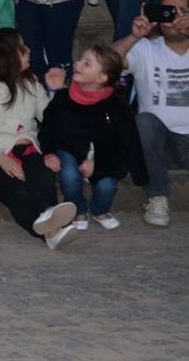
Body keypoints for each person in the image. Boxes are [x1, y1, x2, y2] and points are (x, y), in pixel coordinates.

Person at [0, 28, 79, 249]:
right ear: (5, 55)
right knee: (17, 191)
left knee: (43, 176)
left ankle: (51, 228)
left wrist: (56, 91)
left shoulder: (30, 83)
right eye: (22, 48)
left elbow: (51, 120)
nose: (29, 51)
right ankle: (51, 232)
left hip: (29, 149)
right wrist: (0, 157)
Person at [40, 45, 145, 231]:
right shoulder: (64, 97)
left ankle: (99, 210)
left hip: (103, 154)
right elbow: (50, 127)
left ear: (102, 78)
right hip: (70, 148)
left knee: (107, 185)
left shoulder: (115, 104)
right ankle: (79, 209)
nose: (77, 63)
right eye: (80, 59)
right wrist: (48, 152)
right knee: (69, 175)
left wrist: (98, 161)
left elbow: (123, 142)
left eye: (86, 63)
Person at [111, 0, 189, 227]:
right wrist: (134, 37)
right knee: (144, 120)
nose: (171, 17)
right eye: (165, 11)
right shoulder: (145, 48)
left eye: (179, 10)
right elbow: (106, 62)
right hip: (160, 144)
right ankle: (157, 197)